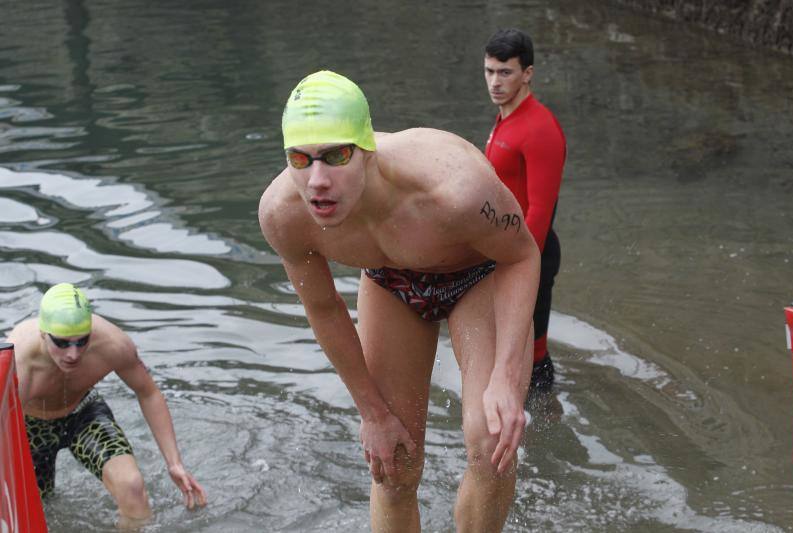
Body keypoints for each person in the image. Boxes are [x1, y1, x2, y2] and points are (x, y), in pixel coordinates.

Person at [259, 70, 541, 532]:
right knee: (393, 463)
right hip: (392, 283)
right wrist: (372, 414)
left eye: (336, 156)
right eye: (300, 159)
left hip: (478, 275)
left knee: (491, 441)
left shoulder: (453, 191)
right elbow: (324, 308)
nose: (317, 181)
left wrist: (507, 379)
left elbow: (522, 254)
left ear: (366, 150)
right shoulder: (283, 216)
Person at [6, 283, 206, 526]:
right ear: (43, 333)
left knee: (132, 488)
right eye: (62, 343)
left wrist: (174, 463)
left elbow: (149, 392)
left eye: (82, 342)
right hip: (27, 426)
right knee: (34, 509)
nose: (73, 354)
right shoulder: (17, 365)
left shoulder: (112, 343)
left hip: (83, 412)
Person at [483, 28, 567, 399]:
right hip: (505, 255)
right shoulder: (506, 118)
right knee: (505, 351)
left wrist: (517, 268)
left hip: (530, 256)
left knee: (532, 356)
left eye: (506, 73)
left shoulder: (540, 128)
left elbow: (540, 213)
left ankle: (549, 427)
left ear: (527, 74)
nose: (495, 82)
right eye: (489, 71)